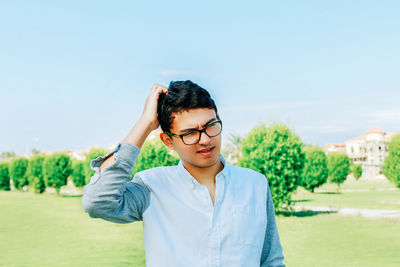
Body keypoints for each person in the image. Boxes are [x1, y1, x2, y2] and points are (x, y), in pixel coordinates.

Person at [82, 80, 285, 267]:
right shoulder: (152, 186)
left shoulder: (255, 184)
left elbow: (271, 260)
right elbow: (97, 202)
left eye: (210, 126)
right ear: (168, 141)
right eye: (189, 133)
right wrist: (145, 123)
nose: (205, 140)